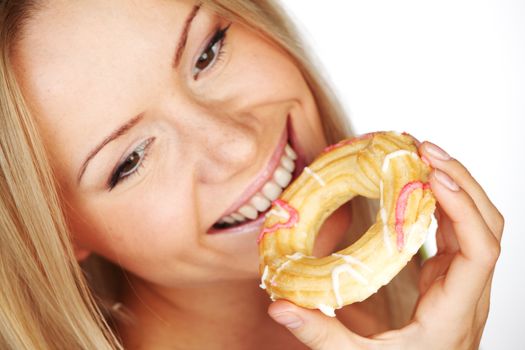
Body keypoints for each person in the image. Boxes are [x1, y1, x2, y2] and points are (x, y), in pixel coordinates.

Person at [0, 0, 504, 349]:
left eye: (208, 53)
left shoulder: (419, 280)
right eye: (130, 160)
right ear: (57, 232)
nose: (236, 145)